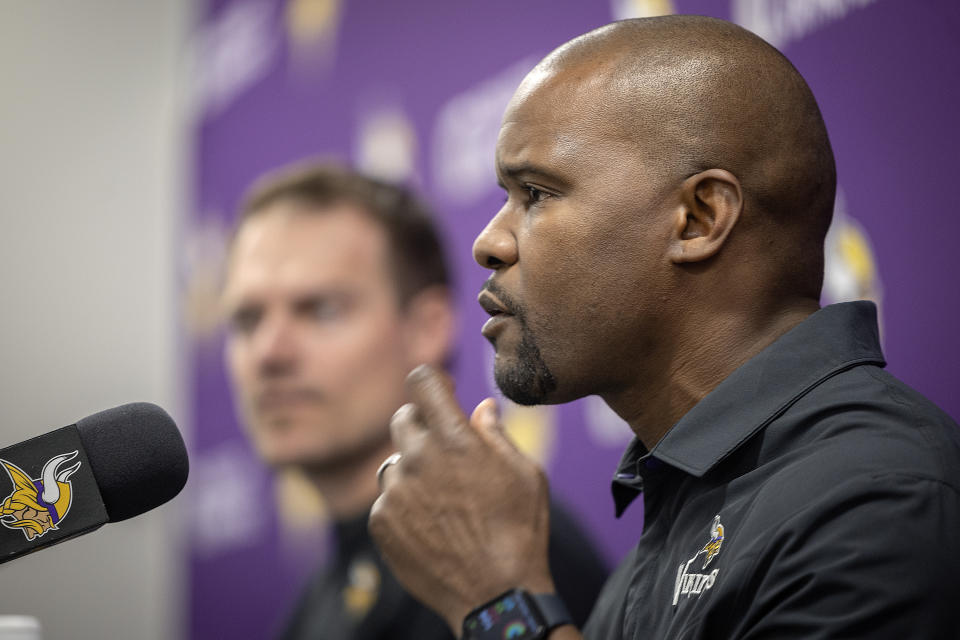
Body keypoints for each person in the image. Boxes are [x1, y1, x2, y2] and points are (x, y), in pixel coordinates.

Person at [369, 15, 960, 640]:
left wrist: (497, 600)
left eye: (536, 194)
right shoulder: (687, 520)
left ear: (699, 219)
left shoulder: (874, 502)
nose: (488, 243)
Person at [221, 162, 608, 640]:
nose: (269, 352)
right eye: (246, 320)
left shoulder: (518, 556)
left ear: (428, 327)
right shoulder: (318, 601)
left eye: (320, 309)